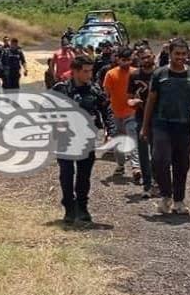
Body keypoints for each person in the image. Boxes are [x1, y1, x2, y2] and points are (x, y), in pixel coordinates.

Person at [141, 40, 190, 215]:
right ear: (170, 54)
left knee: (182, 165)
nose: (180, 57)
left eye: (183, 54)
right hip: (162, 125)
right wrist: (145, 126)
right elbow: (151, 100)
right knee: (159, 160)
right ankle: (166, 195)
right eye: (176, 54)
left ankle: (179, 201)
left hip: (185, 127)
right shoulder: (160, 74)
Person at [52, 55, 116, 225]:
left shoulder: (94, 90)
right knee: (66, 175)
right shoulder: (60, 89)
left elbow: (107, 110)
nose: (90, 74)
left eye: (91, 70)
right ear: (75, 72)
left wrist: (110, 131)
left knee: (83, 176)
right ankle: (69, 207)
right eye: (86, 71)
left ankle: (82, 206)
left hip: (86, 140)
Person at [103, 47, 141, 182]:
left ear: (132, 59)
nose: (126, 63)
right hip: (116, 112)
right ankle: (120, 165)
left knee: (133, 139)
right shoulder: (111, 74)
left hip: (132, 112)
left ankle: (136, 167)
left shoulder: (136, 73)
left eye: (128, 60)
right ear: (118, 59)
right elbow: (106, 94)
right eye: (123, 60)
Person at [128, 48, 156, 197]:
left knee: (158, 152)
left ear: (153, 57)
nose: (146, 60)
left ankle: (158, 181)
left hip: (158, 117)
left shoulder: (160, 74)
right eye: (143, 57)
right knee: (143, 152)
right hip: (140, 116)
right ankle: (147, 184)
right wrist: (133, 102)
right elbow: (129, 97)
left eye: (148, 57)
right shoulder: (134, 75)